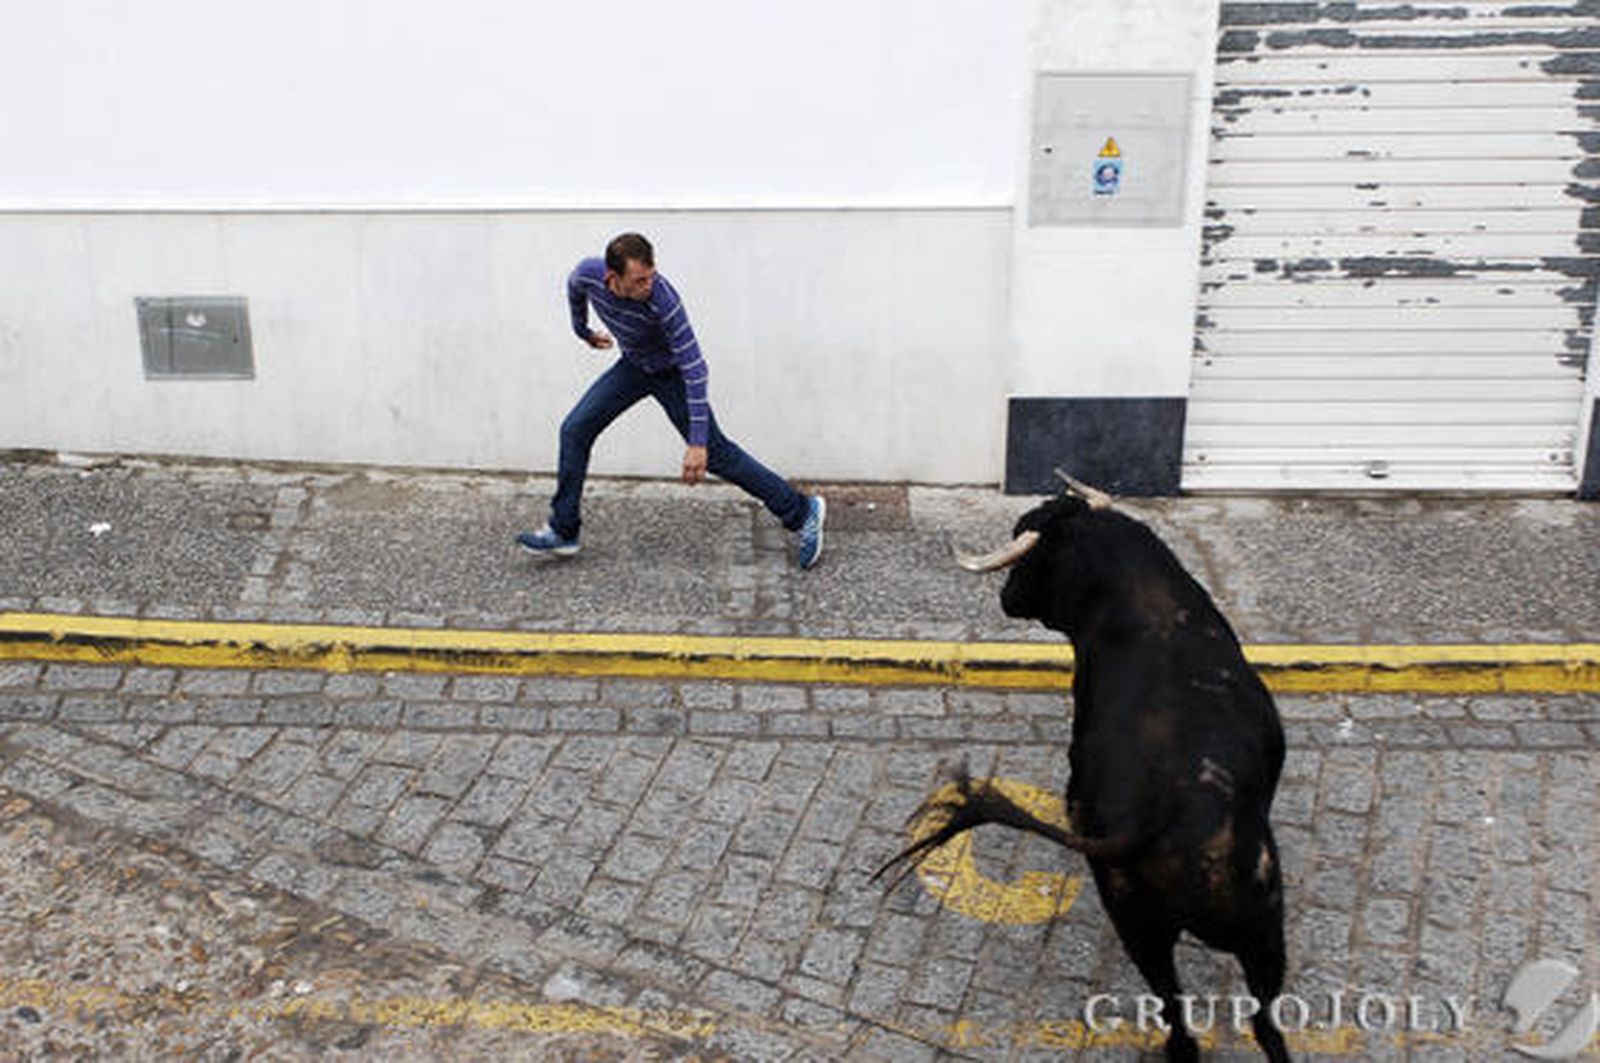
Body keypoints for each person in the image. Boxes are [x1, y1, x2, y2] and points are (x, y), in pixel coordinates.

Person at [518, 233, 826, 569]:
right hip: (634, 366)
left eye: (651, 276)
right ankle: (564, 529)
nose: (648, 285)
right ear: (613, 278)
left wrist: (697, 444)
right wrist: (583, 331)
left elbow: (695, 368)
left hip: (673, 375)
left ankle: (802, 511)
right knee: (575, 429)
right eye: (639, 280)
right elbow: (574, 290)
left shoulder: (663, 300)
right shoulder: (587, 273)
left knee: (716, 453)